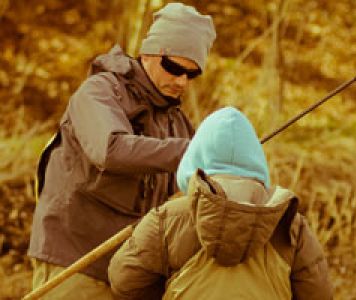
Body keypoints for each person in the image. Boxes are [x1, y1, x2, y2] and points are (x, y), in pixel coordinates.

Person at [27, 3, 216, 298]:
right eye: (174, 68)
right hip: (73, 264)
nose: (181, 81)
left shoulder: (178, 124)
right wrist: (190, 151)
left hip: (130, 274)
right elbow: (110, 149)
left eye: (191, 75)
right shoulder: (100, 91)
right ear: (149, 53)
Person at [108, 107, 333, 299]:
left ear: (194, 162)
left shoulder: (167, 219)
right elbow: (318, 293)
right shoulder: (290, 224)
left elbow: (124, 281)